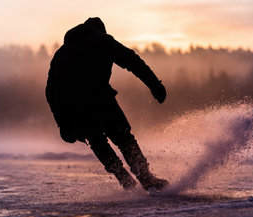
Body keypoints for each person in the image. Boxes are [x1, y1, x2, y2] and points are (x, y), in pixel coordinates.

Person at [46, 17, 169, 192]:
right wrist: (155, 85)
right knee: (124, 139)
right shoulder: (102, 40)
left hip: (76, 108)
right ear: (100, 30)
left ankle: (124, 179)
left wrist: (63, 124)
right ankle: (146, 178)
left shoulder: (61, 53)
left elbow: (51, 91)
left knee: (98, 143)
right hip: (100, 99)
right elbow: (132, 61)